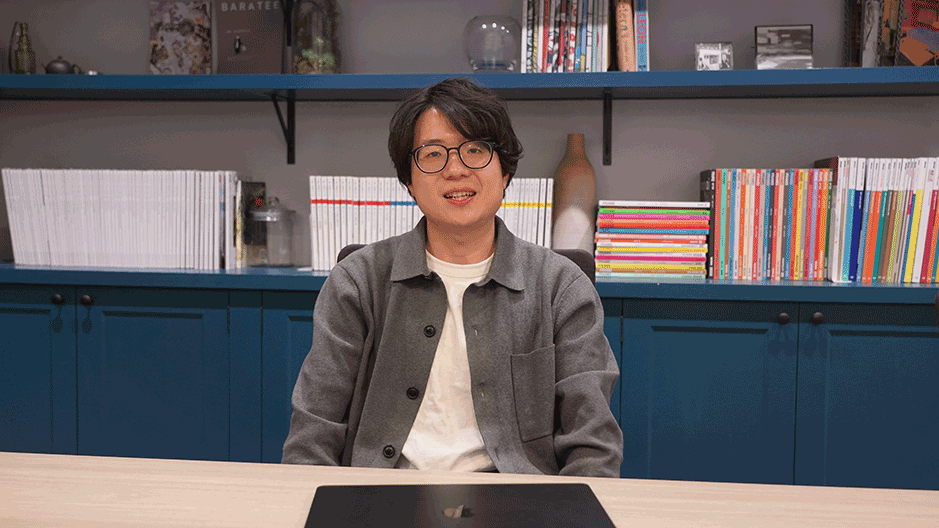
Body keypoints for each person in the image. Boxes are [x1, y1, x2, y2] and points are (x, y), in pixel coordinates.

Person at [282, 77, 623, 477]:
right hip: (380, 493)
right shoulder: (357, 282)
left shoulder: (561, 288)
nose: (456, 170)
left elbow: (593, 447)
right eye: (433, 154)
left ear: (505, 172)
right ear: (409, 181)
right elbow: (312, 437)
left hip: (519, 498)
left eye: (475, 150)